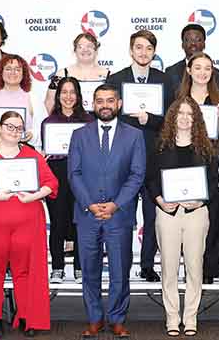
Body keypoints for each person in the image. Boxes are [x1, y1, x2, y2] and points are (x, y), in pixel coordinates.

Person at [0, 111, 58, 337]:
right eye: (10, 126)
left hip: (28, 219)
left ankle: (29, 317)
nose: (14, 131)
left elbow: (51, 183)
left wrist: (35, 195)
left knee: (28, 271)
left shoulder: (32, 155)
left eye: (19, 128)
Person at [68, 84, 145, 339]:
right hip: (87, 214)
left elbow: (136, 175)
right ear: (93, 103)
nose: (105, 105)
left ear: (119, 104)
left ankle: (117, 319)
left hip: (119, 215)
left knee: (120, 271)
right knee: (89, 270)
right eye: (100, 100)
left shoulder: (134, 135)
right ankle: (94, 318)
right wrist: (90, 204)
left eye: (110, 100)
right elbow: (74, 174)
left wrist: (115, 204)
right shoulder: (79, 135)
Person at [147, 97, 217, 337]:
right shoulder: (160, 146)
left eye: (190, 114)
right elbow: (150, 179)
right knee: (168, 267)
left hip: (196, 214)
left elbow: (213, 183)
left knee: (194, 267)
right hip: (167, 214)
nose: (185, 118)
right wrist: (159, 201)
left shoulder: (207, 147)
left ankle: (190, 318)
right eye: (180, 114)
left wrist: (202, 200)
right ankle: (172, 318)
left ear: (196, 118)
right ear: (172, 118)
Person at [107, 30, 172, 282]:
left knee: (153, 214)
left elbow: (172, 118)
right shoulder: (117, 78)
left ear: (154, 52)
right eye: (139, 47)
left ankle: (147, 265)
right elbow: (107, 114)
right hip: (124, 157)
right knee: (122, 212)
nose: (143, 52)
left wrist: (150, 119)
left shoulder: (165, 80)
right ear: (131, 50)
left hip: (155, 157)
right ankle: (120, 263)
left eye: (148, 48)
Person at [176, 51, 219, 283]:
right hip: (186, 162)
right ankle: (190, 267)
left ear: (213, 72)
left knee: (216, 216)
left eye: (207, 68)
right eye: (197, 68)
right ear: (189, 70)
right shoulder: (179, 98)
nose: (202, 72)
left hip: (215, 162)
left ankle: (211, 268)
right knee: (187, 215)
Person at [41, 77, 94, 284]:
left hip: (83, 174)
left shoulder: (89, 122)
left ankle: (80, 267)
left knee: (81, 220)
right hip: (57, 172)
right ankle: (57, 267)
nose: (68, 97)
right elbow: (46, 152)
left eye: (72, 92)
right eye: (64, 92)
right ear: (58, 95)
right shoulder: (49, 122)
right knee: (57, 221)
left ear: (78, 95)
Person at [44, 33, 110, 114]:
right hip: (70, 123)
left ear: (96, 50)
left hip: (99, 123)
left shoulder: (109, 75)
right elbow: (49, 102)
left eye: (89, 46)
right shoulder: (62, 74)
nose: (85, 50)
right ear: (75, 50)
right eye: (80, 46)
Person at [165, 23, 219, 95]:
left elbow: (218, 99)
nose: (193, 43)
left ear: (204, 44)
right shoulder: (171, 72)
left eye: (198, 40)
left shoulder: (215, 73)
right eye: (188, 40)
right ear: (182, 45)